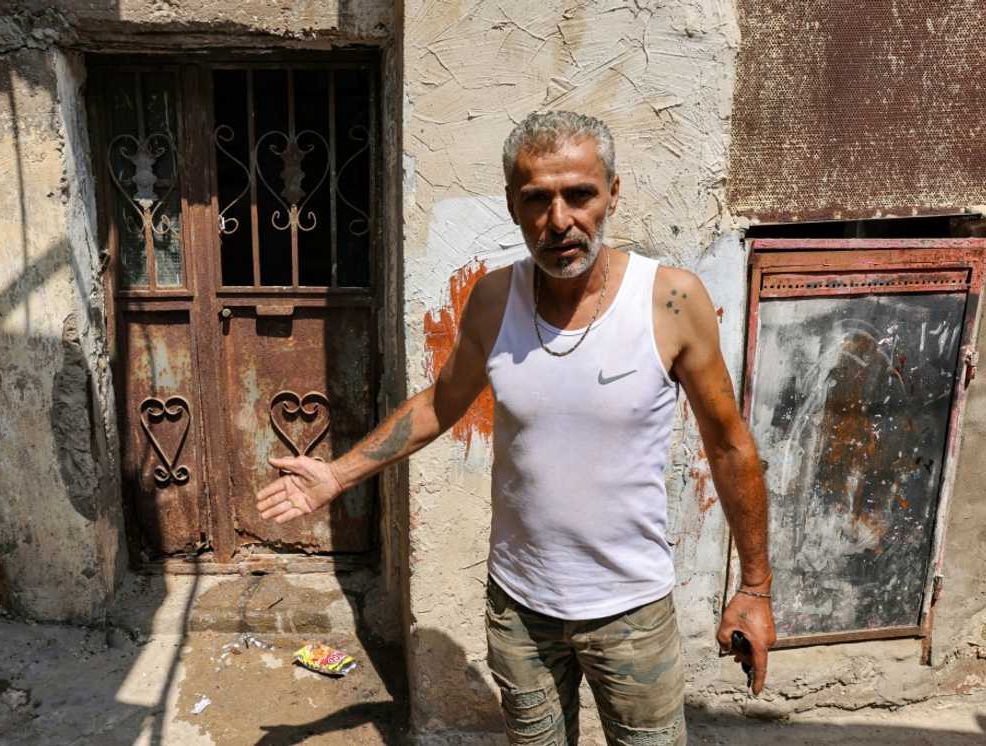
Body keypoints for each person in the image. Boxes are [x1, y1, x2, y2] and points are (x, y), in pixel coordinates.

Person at [256, 110, 775, 745]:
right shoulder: (495, 298)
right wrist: (335, 475)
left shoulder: (670, 301)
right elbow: (441, 403)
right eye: (537, 199)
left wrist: (754, 587)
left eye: (579, 195)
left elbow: (729, 445)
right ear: (512, 204)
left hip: (632, 615)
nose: (560, 221)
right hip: (520, 612)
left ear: (613, 191)